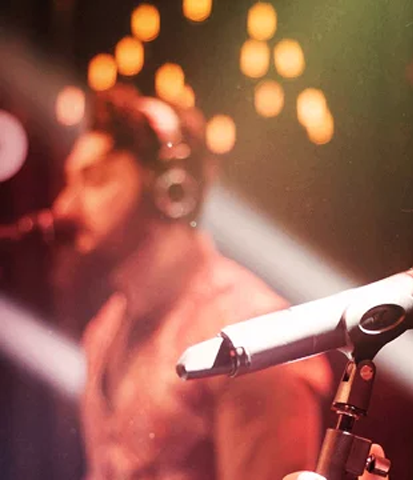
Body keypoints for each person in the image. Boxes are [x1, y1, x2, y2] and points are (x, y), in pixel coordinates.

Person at [51, 84, 333, 479]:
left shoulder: (253, 334)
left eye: (95, 179)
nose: (64, 207)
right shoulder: (104, 332)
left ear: (171, 187)